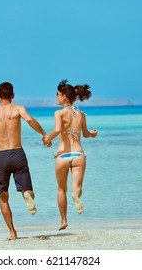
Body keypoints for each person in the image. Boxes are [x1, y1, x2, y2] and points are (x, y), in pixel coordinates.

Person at [0, 82, 50, 240]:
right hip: (17, 152)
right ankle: (27, 194)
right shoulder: (18, 109)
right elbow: (30, 120)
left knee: (3, 195)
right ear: (13, 95)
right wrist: (44, 134)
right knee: (26, 189)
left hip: (1, 156)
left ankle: (13, 233)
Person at [44, 80, 98, 231]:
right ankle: (76, 196)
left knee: (61, 189)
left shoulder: (59, 113)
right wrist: (93, 134)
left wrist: (47, 139)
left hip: (62, 155)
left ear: (64, 97)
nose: (56, 97)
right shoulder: (81, 114)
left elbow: (57, 129)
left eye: (58, 94)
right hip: (78, 154)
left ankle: (63, 220)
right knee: (77, 186)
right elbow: (86, 134)